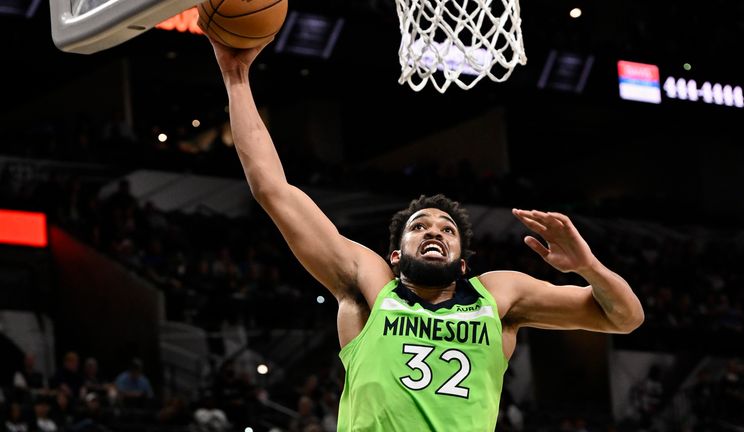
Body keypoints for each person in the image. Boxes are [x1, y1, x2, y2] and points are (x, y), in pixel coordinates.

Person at [204, 35, 645, 432]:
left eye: (447, 230)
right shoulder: (370, 285)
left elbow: (625, 319)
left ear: (463, 262)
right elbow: (273, 189)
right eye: (419, 227)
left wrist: (589, 267)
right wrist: (235, 76)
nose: (434, 232)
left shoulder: (500, 296)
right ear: (395, 256)